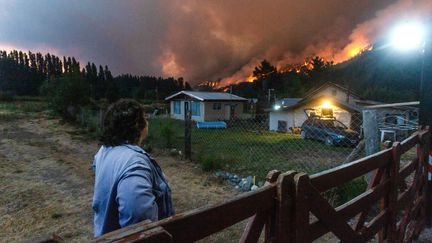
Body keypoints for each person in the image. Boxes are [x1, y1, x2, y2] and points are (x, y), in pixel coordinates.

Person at [92, 99, 174, 237]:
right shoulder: (135, 163)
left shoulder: (105, 151)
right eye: (145, 118)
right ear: (138, 125)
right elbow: (139, 219)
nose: (147, 121)